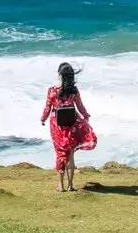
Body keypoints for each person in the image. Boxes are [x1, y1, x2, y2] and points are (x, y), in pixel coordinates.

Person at [40, 62, 97, 192]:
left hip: (57, 125)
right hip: (72, 124)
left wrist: (43, 119)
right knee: (71, 155)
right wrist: (85, 116)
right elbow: (80, 106)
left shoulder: (52, 90)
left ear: (60, 74)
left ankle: (60, 185)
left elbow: (48, 107)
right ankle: (71, 185)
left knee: (60, 154)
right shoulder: (74, 90)